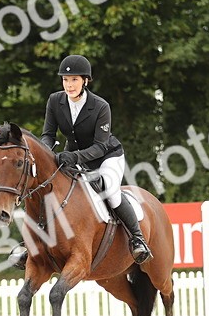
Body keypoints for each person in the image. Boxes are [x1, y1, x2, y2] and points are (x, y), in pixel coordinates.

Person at [11, 55, 152, 268]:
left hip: (106, 157)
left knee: (110, 191)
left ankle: (137, 239)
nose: (69, 85)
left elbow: (100, 146)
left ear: (85, 81)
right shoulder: (54, 101)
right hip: (72, 156)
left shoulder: (100, 106)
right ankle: (30, 243)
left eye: (74, 80)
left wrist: (73, 156)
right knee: (49, 190)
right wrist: (46, 154)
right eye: (66, 80)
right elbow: (48, 134)